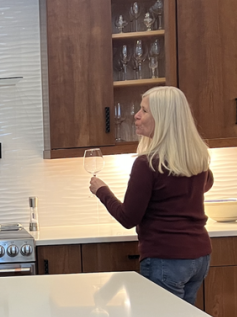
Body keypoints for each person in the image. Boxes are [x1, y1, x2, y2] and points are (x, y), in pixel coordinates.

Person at [89, 86, 213, 304]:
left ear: (162, 118)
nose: (136, 115)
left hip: (167, 259)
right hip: (199, 257)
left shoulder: (147, 164)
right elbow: (206, 183)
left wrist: (102, 191)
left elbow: (128, 218)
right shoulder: (196, 157)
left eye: (144, 110)